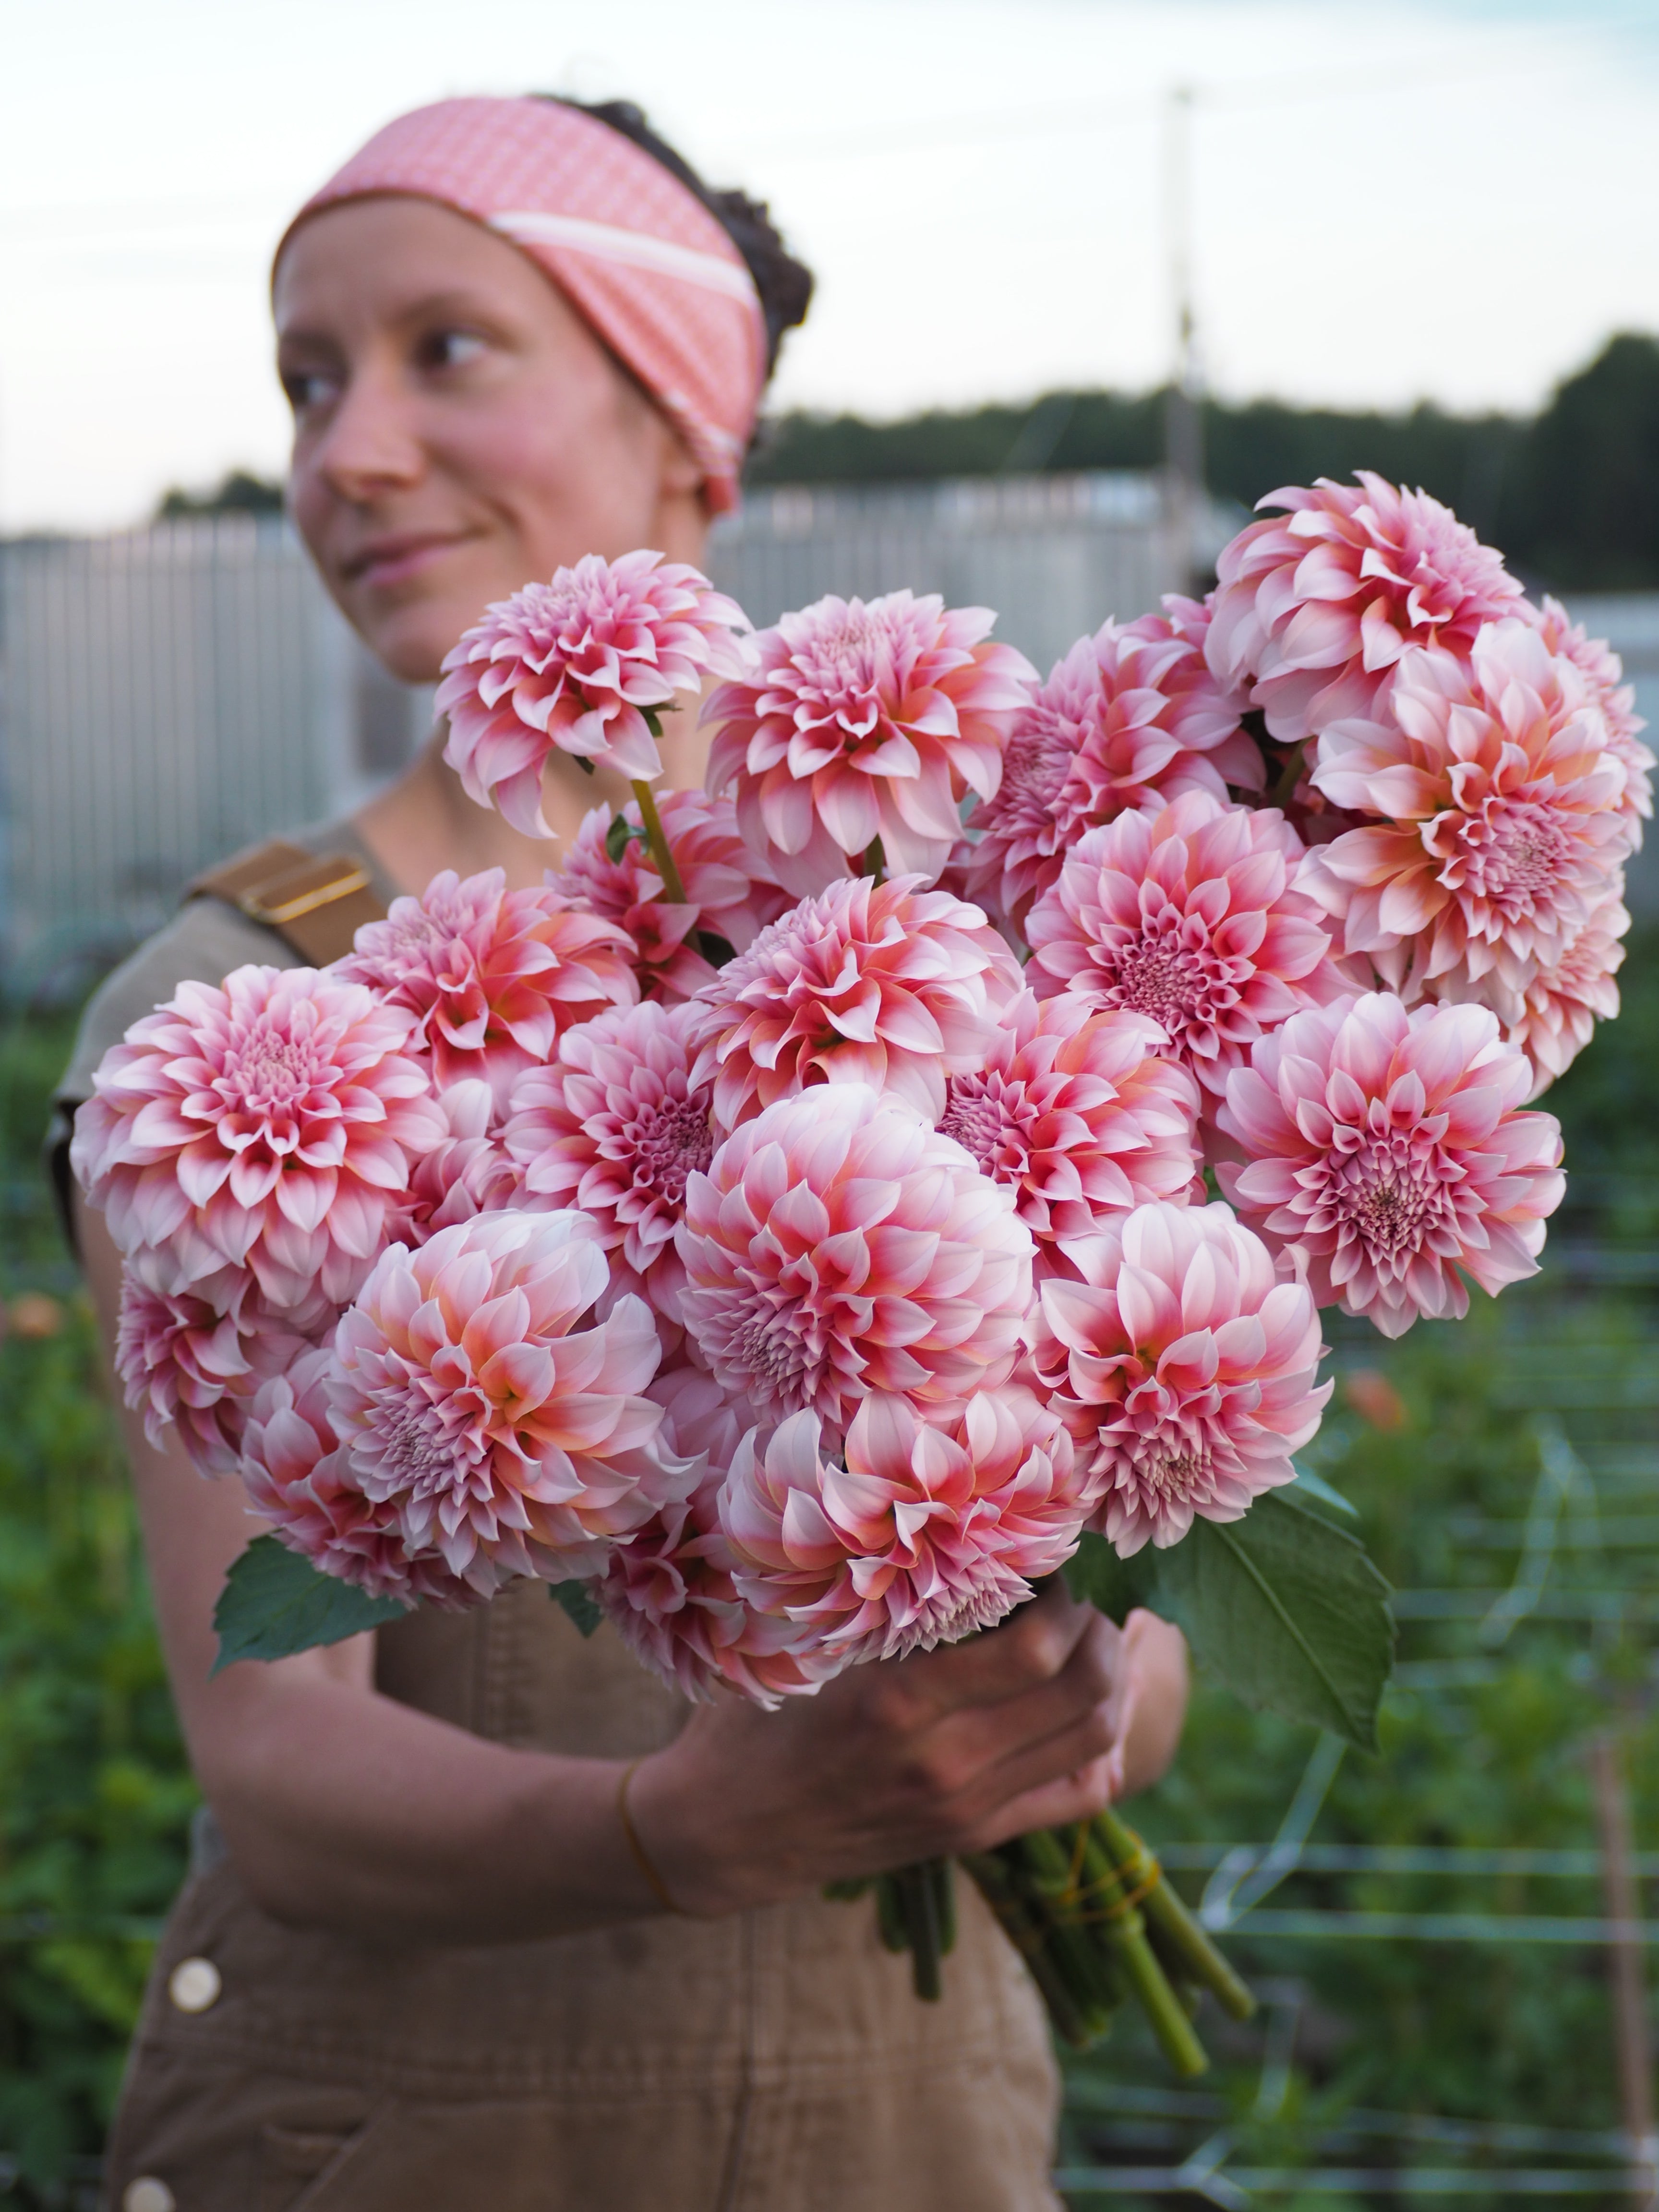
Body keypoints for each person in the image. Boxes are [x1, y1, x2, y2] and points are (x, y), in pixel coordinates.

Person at [55, 94, 1190, 2212]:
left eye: (443, 351)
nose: (345, 453)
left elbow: (1154, 1604)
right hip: (409, 2145)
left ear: (686, 418)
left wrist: (1077, 1689)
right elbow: (274, 1755)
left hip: (911, 2137)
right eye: (306, 383)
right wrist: (682, 1832)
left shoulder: (958, 928)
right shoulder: (221, 1027)